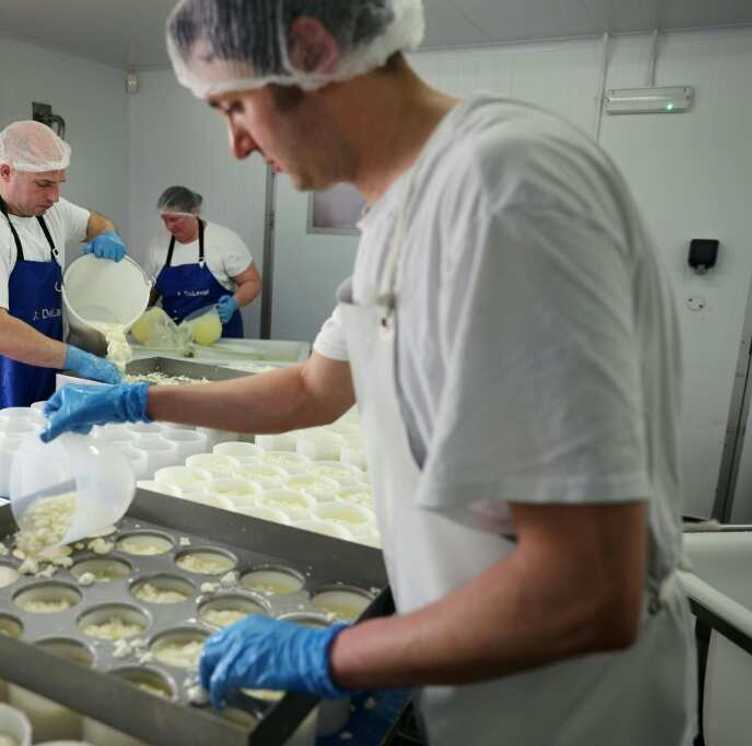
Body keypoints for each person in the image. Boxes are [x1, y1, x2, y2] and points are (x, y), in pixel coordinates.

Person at [39, 1, 697, 744]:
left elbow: (588, 589)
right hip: (480, 675)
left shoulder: (503, 191)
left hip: (570, 705)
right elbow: (315, 389)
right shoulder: (397, 216)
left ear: (315, 51)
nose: (236, 147)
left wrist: (332, 653)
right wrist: (141, 401)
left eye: (236, 108)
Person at [0, 120, 127, 420]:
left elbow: (95, 222)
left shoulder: (50, 211)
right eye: (43, 184)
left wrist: (107, 233)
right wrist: (77, 359)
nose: (54, 196)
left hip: (42, 374)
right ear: (6, 172)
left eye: (59, 183)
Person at [147, 186, 262, 338]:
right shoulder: (158, 244)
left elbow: (252, 282)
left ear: (194, 212)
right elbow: (151, 289)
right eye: (165, 219)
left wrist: (234, 303)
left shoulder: (224, 240)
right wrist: (141, 311)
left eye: (175, 219)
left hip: (220, 339)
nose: (169, 226)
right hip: (175, 340)